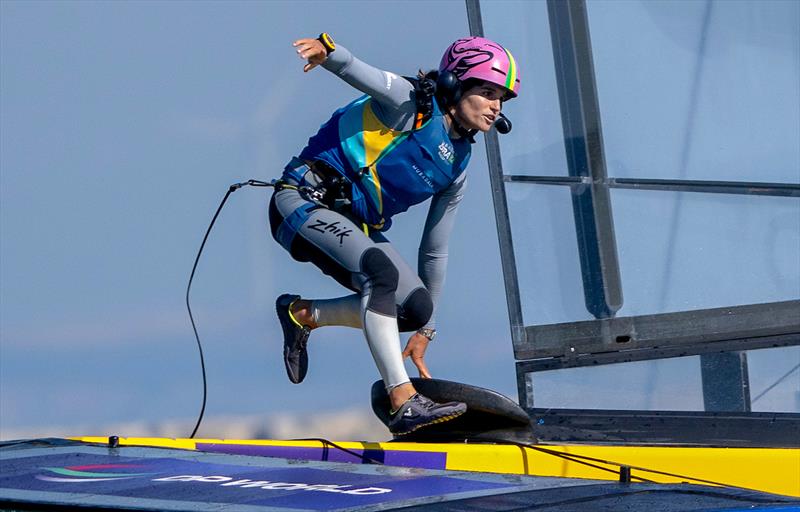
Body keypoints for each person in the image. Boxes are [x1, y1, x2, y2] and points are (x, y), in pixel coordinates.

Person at [269, 33, 520, 435]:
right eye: (489, 92)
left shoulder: (458, 166)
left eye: (503, 100)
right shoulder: (410, 103)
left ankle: (301, 314)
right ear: (456, 84)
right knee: (381, 275)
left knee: (415, 308)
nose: (496, 106)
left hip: (349, 224)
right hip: (299, 203)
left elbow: (434, 251)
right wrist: (329, 53)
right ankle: (403, 399)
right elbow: (357, 71)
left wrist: (426, 329)